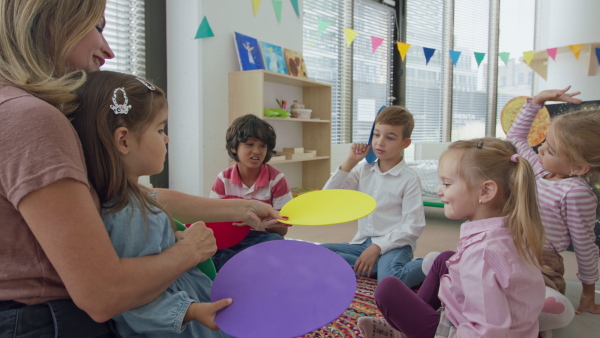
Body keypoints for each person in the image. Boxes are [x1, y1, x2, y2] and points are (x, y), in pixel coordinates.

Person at [0, 1, 280, 335]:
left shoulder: (25, 111)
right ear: (53, 23)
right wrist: (188, 251)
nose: (108, 50)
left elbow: (137, 196)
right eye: (98, 28)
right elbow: (104, 293)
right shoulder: (33, 119)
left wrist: (240, 207)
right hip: (50, 320)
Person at [71, 70, 234, 337]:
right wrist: (191, 311)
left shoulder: (136, 200)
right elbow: (133, 300)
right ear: (123, 140)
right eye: (160, 129)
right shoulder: (128, 213)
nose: (167, 138)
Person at [358, 137, 547, 338]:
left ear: (486, 191)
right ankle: (408, 327)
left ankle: (403, 332)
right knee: (443, 260)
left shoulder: (483, 255)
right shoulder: (507, 231)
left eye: (447, 184)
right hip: (501, 324)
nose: (440, 190)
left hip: (467, 332)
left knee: (387, 289)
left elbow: (487, 330)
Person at [507, 86, 600, 315]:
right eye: (544, 143)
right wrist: (537, 101)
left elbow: (585, 246)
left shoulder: (575, 193)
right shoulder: (539, 169)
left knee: (535, 298)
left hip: (543, 261)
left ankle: (542, 312)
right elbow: (515, 138)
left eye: (551, 150)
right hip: (511, 247)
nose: (540, 149)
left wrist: (589, 294)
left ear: (578, 167)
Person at [320, 106, 426, 286]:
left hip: (395, 245)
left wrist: (378, 247)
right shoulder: (363, 170)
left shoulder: (409, 179)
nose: (380, 142)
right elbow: (327, 197)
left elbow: (413, 226)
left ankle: (436, 264)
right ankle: (373, 266)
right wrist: (351, 160)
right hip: (363, 242)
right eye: (376, 135)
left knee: (391, 278)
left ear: (405, 143)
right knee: (319, 254)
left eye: (390, 137)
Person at [210, 114, 292, 270]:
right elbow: (214, 218)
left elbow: (283, 228)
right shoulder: (223, 179)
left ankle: (239, 267)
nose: (257, 151)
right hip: (230, 239)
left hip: (261, 238)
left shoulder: (277, 179)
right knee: (208, 249)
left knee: (275, 242)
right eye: (249, 144)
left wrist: (258, 220)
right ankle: (243, 267)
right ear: (234, 147)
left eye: (262, 146)